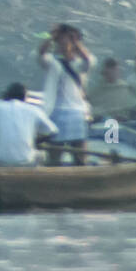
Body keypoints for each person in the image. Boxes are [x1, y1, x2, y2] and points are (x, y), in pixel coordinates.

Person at [37, 24, 94, 166]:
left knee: (80, 156)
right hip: (56, 112)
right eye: (61, 39)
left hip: (77, 112)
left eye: (67, 39)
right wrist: (51, 37)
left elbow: (88, 61)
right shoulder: (52, 62)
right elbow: (41, 53)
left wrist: (76, 43)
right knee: (54, 157)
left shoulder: (79, 63)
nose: (63, 43)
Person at [0, 82, 59, 167]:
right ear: (25, 97)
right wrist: (35, 141)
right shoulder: (34, 110)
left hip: (2, 160)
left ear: (7, 95)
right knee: (43, 156)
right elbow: (53, 132)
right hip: (27, 161)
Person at [85, 56, 136, 121]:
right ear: (104, 72)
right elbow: (88, 107)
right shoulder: (96, 90)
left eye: (115, 70)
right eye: (109, 72)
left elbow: (135, 107)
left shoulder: (126, 89)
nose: (113, 73)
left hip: (124, 125)